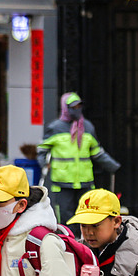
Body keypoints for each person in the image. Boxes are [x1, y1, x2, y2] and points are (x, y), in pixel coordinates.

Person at [38, 92, 120, 226]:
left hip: (84, 180)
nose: (77, 110)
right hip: (63, 180)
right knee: (65, 215)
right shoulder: (55, 128)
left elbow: (96, 151)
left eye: (79, 107)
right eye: (73, 107)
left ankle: (81, 242)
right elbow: (42, 150)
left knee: (85, 214)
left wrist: (112, 166)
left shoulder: (87, 127)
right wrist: (44, 165)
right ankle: (68, 242)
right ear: (65, 108)